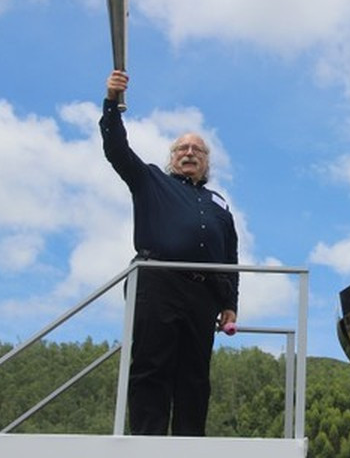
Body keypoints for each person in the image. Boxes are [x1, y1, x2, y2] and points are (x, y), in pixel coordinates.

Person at [99, 69, 239, 436]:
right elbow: (116, 149)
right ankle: (148, 443)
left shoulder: (220, 203)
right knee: (151, 365)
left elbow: (230, 258)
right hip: (157, 281)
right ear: (172, 157)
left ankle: (189, 444)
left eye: (197, 150)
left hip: (203, 293)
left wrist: (230, 303)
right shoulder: (150, 180)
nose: (189, 153)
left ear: (207, 162)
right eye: (182, 149)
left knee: (195, 375)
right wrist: (112, 102)